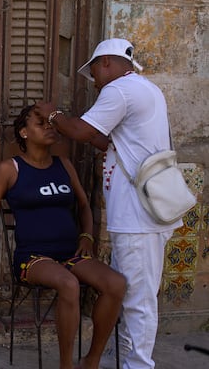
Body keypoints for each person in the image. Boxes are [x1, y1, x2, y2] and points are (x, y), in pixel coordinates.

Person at [35, 38, 182, 369]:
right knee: (134, 295)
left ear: (105, 63)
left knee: (138, 300)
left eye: (95, 74)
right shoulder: (147, 90)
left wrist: (52, 114)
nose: (96, 82)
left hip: (137, 217)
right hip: (143, 213)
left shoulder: (120, 91)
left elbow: (79, 130)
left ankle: (137, 365)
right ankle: (128, 360)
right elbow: (106, 140)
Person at [0, 104, 126, 369]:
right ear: (23, 133)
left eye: (50, 123)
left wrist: (87, 237)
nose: (49, 127)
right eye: (40, 123)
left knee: (115, 284)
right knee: (68, 284)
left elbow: (83, 205)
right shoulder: (9, 169)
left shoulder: (64, 165)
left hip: (70, 254)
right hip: (32, 259)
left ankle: (91, 360)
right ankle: (66, 365)